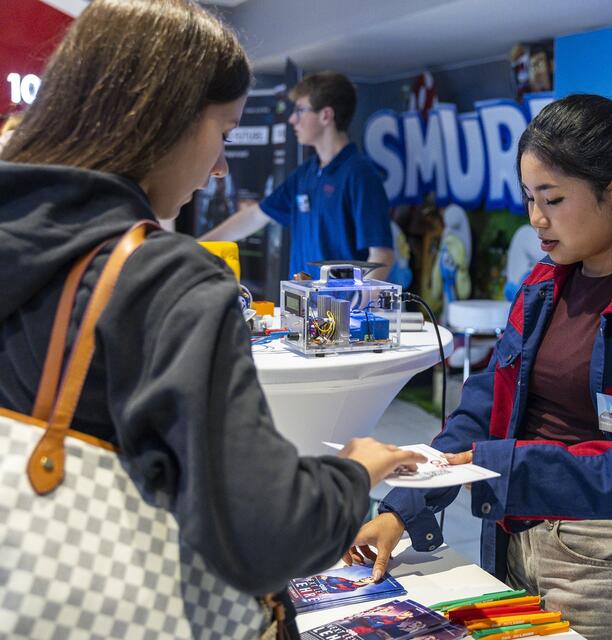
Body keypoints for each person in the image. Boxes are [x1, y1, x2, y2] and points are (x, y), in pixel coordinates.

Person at [0, 0, 423, 631]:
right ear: (163, 119)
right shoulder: (164, 280)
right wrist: (357, 470)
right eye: (223, 133)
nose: (221, 165)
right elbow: (264, 531)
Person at [344, 94, 612, 639]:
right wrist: (402, 507)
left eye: (553, 199)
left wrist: (520, 469)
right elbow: (482, 410)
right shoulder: (542, 287)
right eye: (529, 198)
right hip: (516, 542)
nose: (536, 220)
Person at [200, 71, 395, 281]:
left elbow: (382, 256)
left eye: (300, 110)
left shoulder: (361, 174)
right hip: (302, 299)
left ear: (326, 115)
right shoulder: (306, 173)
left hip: (340, 302)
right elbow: (256, 215)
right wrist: (198, 247)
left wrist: (357, 301)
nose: (292, 119)